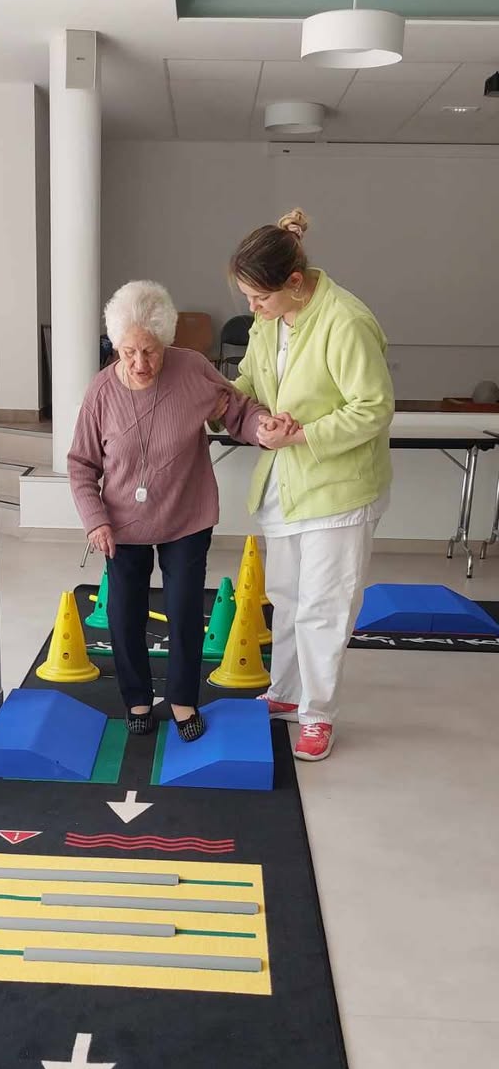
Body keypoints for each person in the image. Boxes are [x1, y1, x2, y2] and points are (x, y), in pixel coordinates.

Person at [68, 280, 268, 740]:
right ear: (115, 346)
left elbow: (237, 411)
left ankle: (182, 700)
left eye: (151, 352)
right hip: (122, 524)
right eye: (129, 353)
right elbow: (81, 464)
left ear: (166, 341)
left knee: (184, 611)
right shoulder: (101, 393)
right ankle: (137, 698)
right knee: (124, 614)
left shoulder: (192, 369)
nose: (141, 363)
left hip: (186, 516)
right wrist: (95, 520)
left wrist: (263, 427)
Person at [229, 209, 394, 761]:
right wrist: (246, 414)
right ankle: (285, 691)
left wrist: (302, 435)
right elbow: (250, 380)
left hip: (339, 490)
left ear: (295, 282)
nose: (253, 309)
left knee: (324, 606)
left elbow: (374, 407)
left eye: (260, 298)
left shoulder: (346, 321)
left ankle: (317, 714)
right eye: (248, 298)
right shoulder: (271, 319)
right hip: (287, 483)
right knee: (288, 597)